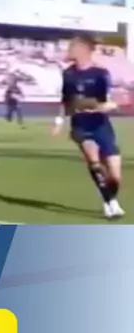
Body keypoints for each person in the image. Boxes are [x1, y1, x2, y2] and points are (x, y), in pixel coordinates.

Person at [52, 34, 124, 219]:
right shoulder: (68, 74)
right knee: (94, 162)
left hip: (101, 124)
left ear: (84, 50)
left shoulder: (101, 74)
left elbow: (110, 100)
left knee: (115, 176)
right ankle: (109, 204)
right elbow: (65, 100)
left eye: (73, 47)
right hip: (81, 125)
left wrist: (107, 106)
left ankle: (110, 198)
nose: (69, 51)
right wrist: (59, 121)